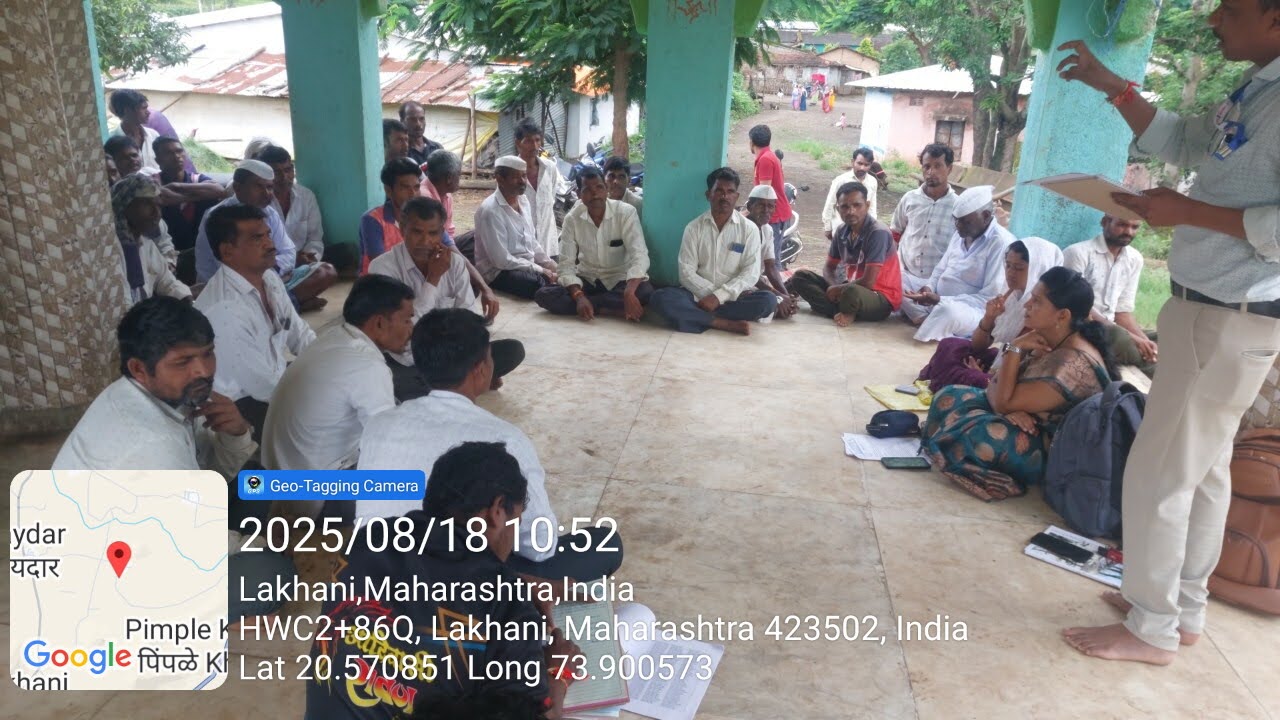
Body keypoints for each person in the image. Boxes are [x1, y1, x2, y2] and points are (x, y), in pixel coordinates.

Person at [1057, 4, 1280, 665]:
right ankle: (1181, 609)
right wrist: (1111, 84)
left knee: (1160, 470)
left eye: (1231, 8)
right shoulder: (1258, 87)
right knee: (1203, 470)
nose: (1214, 20)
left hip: (1228, 314)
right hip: (1211, 310)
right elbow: (1184, 141)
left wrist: (1188, 212)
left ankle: (1151, 628)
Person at [52, 296, 293, 627]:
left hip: (152, 527)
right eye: (183, 362)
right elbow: (191, 537)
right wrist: (259, 547)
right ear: (139, 368)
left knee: (253, 481)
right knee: (271, 574)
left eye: (208, 353)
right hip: (104, 573)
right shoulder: (150, 443)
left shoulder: (161, 396)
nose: (204, 371)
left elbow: (208, 476)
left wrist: (236, 432)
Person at [305, 442, 587, 720]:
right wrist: (558, 673)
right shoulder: (509, 612)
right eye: (517, 521)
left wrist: (517, 583)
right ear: (497, 511)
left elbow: (431, 581)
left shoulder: (368, 540)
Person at [357, 309, 623, 582]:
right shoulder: (504, 440)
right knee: (605, 544)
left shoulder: (379, 424)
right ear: (481, 369)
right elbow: (540, 545)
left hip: (376, 571)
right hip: (452, 587)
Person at [922, 267, 1117, 501]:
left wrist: (1014, 352)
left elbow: (1001, 399)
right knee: (948, 395)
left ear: (1062, 315)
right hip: (1027, 420)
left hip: (1052, 451)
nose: (1027, 305)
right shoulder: (1049, 338)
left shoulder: (1071, 365)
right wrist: (1010, 407)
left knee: (981, 435)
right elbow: (995, 384)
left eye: (1037, 301)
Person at [369, 197, 525, 400]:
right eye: (417, 232)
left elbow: (468, 319)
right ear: (402, 230)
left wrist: (472, 355)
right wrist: (433, 280)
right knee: (396, 383)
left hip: (448, 357)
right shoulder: (382, 268)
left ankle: (454, 383)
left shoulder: (455, 264)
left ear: (442, 232)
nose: (425, 242)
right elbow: (399, 337)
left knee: (513, 350)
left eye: (433, 233)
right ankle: (463, 384)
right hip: (405, 360)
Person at [262, 274, 412, 475]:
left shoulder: (335, 336)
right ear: (379, 323)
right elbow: (387, 442)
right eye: (407, 320)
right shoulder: (367, 365)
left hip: (280, 467)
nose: (411, 328)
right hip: (310, 486)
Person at [195, 204, 316, 439]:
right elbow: (263, 386)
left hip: (271, 382)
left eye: (268, 234)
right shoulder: (224, 310)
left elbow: (300, 335)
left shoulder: (269, 278)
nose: (270, 244)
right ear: (227, 251)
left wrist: (329, 364)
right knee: (323, 423)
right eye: (257, 238)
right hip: (240, 406)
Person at [918, 238, 1064, 391]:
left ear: (1038, 268)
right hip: (1003, 359)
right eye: (1008, 265)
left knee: (967, 377)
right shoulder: (1012, 296)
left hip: (1016, 377)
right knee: (949, 345)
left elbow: (1021, 358)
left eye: (1019, 268)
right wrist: (989, 318)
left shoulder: (1043, 310)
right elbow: (979, 346)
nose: (1010, 273)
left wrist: (986, 375)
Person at [649, 168, 777, 335]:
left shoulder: (749, 229)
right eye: (719, 191)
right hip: (698, 296)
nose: (725, 196)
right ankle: (721, 323)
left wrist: (719, 296)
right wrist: (710, 295)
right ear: (708, 195)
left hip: (733, 297)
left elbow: (750, 273)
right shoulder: (694, 228)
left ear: (736, 196)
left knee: (768, 301)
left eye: (730, 191)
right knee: (660, 297)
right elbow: (686, 272)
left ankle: (696, 317)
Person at [534, 167, 653, 321]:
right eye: (588, 190)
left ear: (606, 188)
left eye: (599, 187)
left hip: (619, 279)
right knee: (544, 294)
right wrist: (579, 296)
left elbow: (640, 255)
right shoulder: (572, 219)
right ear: (579, 194)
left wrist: (629, 293)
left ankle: (594, 305)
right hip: (588, 279)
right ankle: (605, 308)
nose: (595, 194)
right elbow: (566, 265)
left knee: (645, 292)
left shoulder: (626, 213)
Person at [902, 185, 1016, 341]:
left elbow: (988, 298)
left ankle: (936, 319)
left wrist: (941, 300)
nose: (958, 226)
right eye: (956, 220)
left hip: (971, 309)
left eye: (965, 222)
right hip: (938, 299)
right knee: (898, 279)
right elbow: (940, 269)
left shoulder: (1001, 244)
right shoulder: (961, 234)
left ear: (985, 216)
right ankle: (923, 318)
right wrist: (929, 287)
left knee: (948, 312)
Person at [789, 181, 902, 326]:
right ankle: (844, 310)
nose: (851, 211)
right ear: (838, 208)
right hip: (850, 289)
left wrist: (839, 289)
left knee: (852, 291)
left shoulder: (878, 232)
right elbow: (829, 267)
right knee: (800, 277)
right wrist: (834, 286)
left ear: (867, 206)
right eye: (845, 207)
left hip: (879, 297)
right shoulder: (842, 231)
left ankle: (839, 309)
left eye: (857, 205)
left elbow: (868, 282)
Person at [1062, 215, 1158, 376]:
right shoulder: (1078, 253)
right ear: (1105, 222)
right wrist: (1134, 339)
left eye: (1134, 227)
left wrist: (1145, 341)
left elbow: (1122, 312)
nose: (1128, 232)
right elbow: (1080, 309)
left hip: (1112, 327)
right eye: (1122, 225)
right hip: (1084, 327)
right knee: (1119, 336)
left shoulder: (1134, 259)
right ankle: (1156, 370)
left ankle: (1152, 357)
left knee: (1160, 338)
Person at [421, 149, 502, 320]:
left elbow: (449, 235)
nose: (461, 178)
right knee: (466, 274)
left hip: (445, 242)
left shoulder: (446, 195)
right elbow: (445, 244)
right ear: (449, 178)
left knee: (477, 237)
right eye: (459, 175)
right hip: (430, 250)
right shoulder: (425, 199)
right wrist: (484, 287)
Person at [474, 156, 558, 298]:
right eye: (516, 177)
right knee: (534, 284)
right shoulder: (491, 211)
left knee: (553, 272)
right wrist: (540, 270)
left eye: (524, 176)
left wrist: (549, 264)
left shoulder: (523, 201)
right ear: (500, 179)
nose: (522, 181)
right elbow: (501, 260)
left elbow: (532, 241)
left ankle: (550, 280)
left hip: (523, 265)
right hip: (498, 271)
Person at [154, 137, 226, 285]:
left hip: (202, 253)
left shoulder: (196, 178)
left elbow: (219, 190)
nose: (176, 156)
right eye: (168, 153)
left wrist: (177, 188)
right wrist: (197, 195)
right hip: (168, 255)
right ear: (157, 160)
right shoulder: (152, 182)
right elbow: (161, 197)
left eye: (179, 151)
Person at [111, 174, 191, 303]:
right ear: (125, 205)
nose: (156, 213)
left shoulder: (145, 244)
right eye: (147, 204)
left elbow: (166, 281)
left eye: (158, 205)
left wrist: (185, 298)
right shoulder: (110, 250)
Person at [893, 143, 959, 297]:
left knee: (940, 305)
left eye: (938, 166)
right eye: (927, 166)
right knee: (894, 296)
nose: (931, 172)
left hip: (939, 281)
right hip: (905, 275)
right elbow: (895, 232)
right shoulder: (909, 198)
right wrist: (893, 265)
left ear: (949, 168)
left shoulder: (958, 206)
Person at [359, 157, 428, 275]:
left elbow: (449, 247)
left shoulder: (426, 215)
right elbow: (380, 266)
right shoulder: (372, 220)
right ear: (388, 190)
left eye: (416, 187)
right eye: (405, 188)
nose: (413, 194)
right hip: (382, 282)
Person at [258, 145, 325, 265]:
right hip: (273, 264)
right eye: (276, 172)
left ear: (293, 169)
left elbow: (315, 238)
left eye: (287, 170)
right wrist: (291, 260)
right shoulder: (259, 202)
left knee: (345, 253)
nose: (284, 177)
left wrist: (308, 258)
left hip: (304, 260)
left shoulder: (306, 196)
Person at [741, 184, 798, 319]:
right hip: (739, 284)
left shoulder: (767, 230)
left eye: (770, 206)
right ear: (749, 206)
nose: (766, 210)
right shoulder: (740, 229)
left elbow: (771, 267)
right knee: (768, 302)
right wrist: (778, 296)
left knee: (798, 282)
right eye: (761, 205)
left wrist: (785, 296)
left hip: (757, 283)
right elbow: (746, 274)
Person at [514, 119, 566, 259]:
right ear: (518, 143)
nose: (535, 146)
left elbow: (551, 199)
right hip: (522, 246)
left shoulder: (550, 168)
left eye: (537, 140)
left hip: (548, 244)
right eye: (528, 141)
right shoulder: (510, 172)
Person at [749, 124, 792, 261]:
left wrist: (747, 212)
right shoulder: (768, 156)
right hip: (774, 213)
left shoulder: (765, 160)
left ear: (751, 142)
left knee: (771, 260)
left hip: (774, 215)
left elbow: (764, 194)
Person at [822, 147, 879, 239]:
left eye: (866, 165)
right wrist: (827, 227)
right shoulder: (840, 180)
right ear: (853, 162)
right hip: (841, 228)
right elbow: (830, 204)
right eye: (859, 163)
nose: (862, 168)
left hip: (862, 230)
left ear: (871, 165)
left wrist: (873, 226)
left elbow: (872, 206)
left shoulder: (872, 182)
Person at [108, 89, 160, 172]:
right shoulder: (111, 141)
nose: (148, 112)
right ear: (127, 110)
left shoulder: (153, 135)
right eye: (143, 108)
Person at [400, 100, 443, 165]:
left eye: (422, 119)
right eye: (412, 119)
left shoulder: (436, 147)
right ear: (402, 121)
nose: (418, 124)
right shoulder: (401, 152)